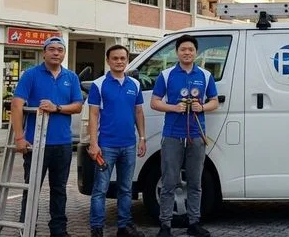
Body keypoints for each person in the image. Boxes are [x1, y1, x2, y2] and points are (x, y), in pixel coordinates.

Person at [11, 36, 83, 237]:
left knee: (59, 189)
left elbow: (78, 106)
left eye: (60, 50)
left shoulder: (71, 77)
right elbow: (16, 105)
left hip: (62, 143)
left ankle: (58, 230)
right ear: (44, 52)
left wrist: (57, 107)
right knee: (31, 188)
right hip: (36, 143)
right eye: (52, 49)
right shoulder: (31, 75)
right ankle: (27, 228)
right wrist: (19, 137)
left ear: (64, 53)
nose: (56, 53)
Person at [151, 35, 219, 237]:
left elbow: (214, 101)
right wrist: (174, 107)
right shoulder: (166, 74)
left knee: (195, 181)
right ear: (177, 52)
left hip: (197, 135)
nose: (187, 52)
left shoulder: (205, 75)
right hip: (172, 135)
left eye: (190, 49)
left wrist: (202, 106)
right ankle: (165, 225)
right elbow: (154, 102)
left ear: (196, 52)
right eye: (183, 49)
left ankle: (194, 223)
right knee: (169, 181)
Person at [88, 45, 147, 237]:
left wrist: (142, 138)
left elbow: (138, 112)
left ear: (127, 60)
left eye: (123, 58)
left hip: (129, 145)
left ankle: (124, 226)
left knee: (126, 188)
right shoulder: (99, 84)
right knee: (100, 189)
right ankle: (97, 228)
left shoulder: (135, 84)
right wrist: (94, 144)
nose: (119, 61)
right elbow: (94, 115)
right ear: (108, 60)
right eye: (115, 58)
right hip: (106, 146)